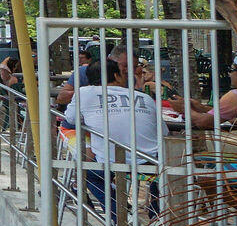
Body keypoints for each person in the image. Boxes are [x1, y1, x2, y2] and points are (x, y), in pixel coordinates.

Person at [58, 56, 164, 214]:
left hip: (111, 163)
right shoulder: (145, 97)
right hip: (150, 163)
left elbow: (71, 118)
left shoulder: (84, 93)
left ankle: (118, 216)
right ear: (116, 75)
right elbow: (163, 131)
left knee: (88, 173)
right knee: (162, 175)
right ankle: (157, 217)